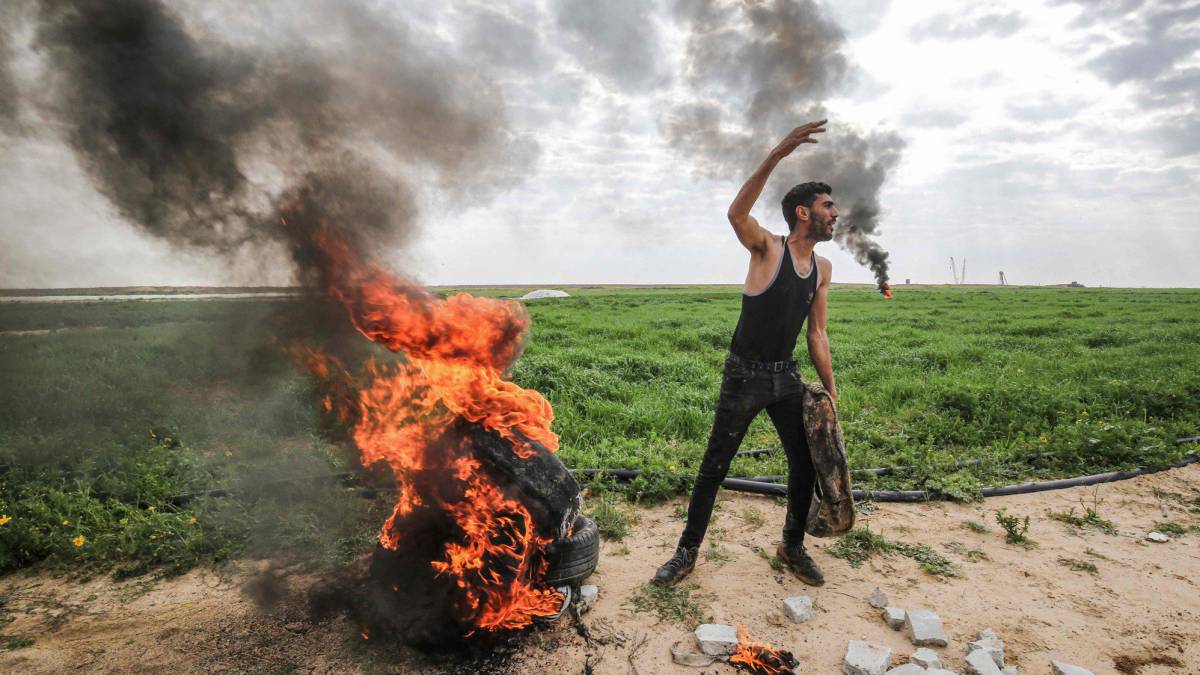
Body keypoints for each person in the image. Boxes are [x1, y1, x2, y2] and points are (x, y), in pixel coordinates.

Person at [654, 120, 837, 587]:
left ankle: (792, 546)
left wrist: (830, 392)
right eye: (827, 206)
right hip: (744, 376)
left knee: (804, 464)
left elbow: (817, 333)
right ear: (802, 212)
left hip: (787, 380)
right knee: (715, 466)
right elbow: (736, 214)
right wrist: (776, 154)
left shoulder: (823, 268)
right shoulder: (767, 250)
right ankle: (685, 554)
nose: (835, 214)